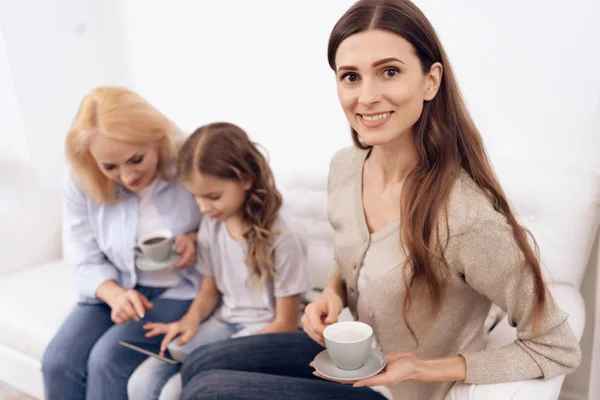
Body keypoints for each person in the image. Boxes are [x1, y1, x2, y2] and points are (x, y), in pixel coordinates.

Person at [178, 1, 582, 399]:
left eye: (389, 72)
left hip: (401, 391)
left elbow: (556, 347)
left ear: (431, 80)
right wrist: (333, 293)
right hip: (354, 358)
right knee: (198, 364)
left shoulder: (464, 217)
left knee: (206, 391)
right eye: (350, 77)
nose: (366, 96)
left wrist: (423, 368)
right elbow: (353, 256)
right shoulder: (346, 168)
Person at [127, 122, 312, 400]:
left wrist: (229, 349)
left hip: (268, 332)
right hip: (225, 320)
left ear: (246, 179)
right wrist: (189, 321)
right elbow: (208, 290)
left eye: (213, 196)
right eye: (196, 197)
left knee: (175, 391)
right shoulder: (212, 225)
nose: (202, 207)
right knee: (140, 381)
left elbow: (285, 323)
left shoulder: (282, 238)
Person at [41, 86, 203, 400]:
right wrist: (114, 294)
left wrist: (198, 240)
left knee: (107, 360)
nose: (127, 176)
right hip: (114, 289)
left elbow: (232, 220)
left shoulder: (192, 156)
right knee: (57, 363)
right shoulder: (80, 177)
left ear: (156, 137)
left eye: (136, 159)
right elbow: (86, 258)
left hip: (180, 288)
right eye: (110, 167)